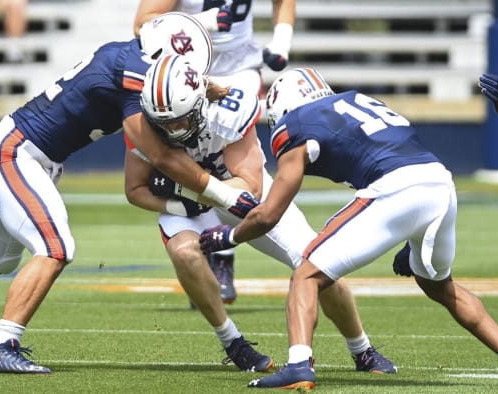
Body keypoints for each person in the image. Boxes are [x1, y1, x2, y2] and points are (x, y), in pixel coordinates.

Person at [0, 12, 252, 373]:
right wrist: (221, 193)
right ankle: (2, 346)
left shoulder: (128, 56)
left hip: (24, 152)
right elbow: (160, 154)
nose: (184, 74)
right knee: (56, 248)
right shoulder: (134, 73)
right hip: (16, 153)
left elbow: (161, 86)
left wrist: (205, 85)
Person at [199, 67, 498, 389]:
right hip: (439, 184)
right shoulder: (357, 101)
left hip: (395, 190)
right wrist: (415, 233)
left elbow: (270, 213)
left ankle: (299, 366)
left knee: (306, 273)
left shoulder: (297, 124)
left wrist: (229, 235)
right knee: (440, 286)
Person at [124, 54, 397, 374]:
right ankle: (232, 342)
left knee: (317, 260)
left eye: (179, 120)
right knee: (184, 252)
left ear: (199, 102)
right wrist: (181, 204)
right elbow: (135, 190)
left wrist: (192, 191)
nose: (172, 129)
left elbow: (249, 185)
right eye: (164, 123)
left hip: (242, 197)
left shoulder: (229, 110)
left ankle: (361, 349)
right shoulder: (144, 124)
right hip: (190, 205)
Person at [133, 0, 294, 304]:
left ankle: (223, 254)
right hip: (185, 74)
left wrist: (281, 40)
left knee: (235, 166)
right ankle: (200, 235)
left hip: (240, 69)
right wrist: (206, 21)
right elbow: (144, 24)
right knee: (190, 152)